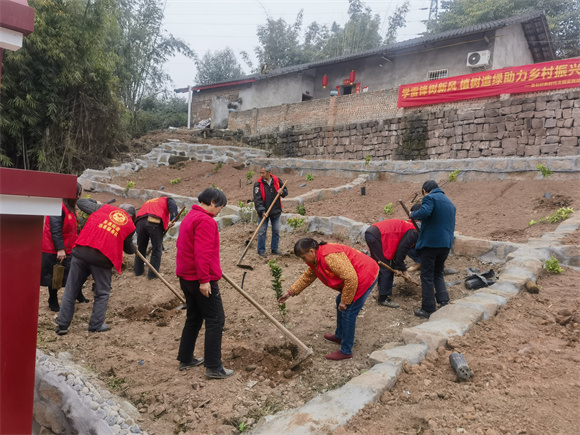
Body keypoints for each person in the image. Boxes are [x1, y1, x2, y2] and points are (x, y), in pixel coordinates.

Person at [278, 238, 379, 360]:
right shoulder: (317, 258)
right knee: (339, 302)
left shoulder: (329, 257)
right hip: (356, 275)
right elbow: (308, 276)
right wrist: (290, 292)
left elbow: (351, 278)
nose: (303, 260)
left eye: (303, 257)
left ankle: (346, 350)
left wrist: (345, 301)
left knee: (348, 311)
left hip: (365, 275)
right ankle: (340, 335)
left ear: (311, 251)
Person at [176, 188, 234, 379]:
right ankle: (214, 367)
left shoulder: (190, 216)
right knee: (216, 320)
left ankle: (185, 358)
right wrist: (205, 280)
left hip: (186, 277)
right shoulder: (205, 221)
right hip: (199, 279)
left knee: (193, 317)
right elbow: (202, 253)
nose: (219, 212)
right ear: (212, 202)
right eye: (220, 207)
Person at [55, 200, 136, 335]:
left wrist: (98, 203)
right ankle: (96, 325)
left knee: (71, 289)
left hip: (82, 252)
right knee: (102, 292)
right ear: (132, 216)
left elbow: (81, 202)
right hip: (102, 259)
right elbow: (129, 249)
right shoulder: (129, 225)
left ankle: (62, 325)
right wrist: (134, 248)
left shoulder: (104, 208)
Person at [409, 180, 456, 319]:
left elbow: (424, 212)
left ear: (425, 190)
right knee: (438, 273)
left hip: (431, 244)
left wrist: (412, 215)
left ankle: (428, 308)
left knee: (427, 275)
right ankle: (443, 300)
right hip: (445, 244)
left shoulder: (429, 198)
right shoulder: (450, 203)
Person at [40, 182, 89, 311]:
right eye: (77, 194)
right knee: (55, 275)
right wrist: (60, 249)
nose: (78, 197)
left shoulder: (71, 208)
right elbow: (55, 230)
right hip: (55, 249)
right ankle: (53, 300)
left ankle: (78, 294)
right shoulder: (58, 207)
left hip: (69, 247)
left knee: (73, 274)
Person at [364, 219, 418, 308]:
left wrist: (404, 271)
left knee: (383, 264)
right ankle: (383, 298)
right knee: (386, 266)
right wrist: (398, 267)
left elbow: (398, 252)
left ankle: (383, 286)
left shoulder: (410, 226)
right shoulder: (414, 233)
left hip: (373, 233)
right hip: (378, 236)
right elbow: (401, 250)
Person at [134, 196, 178, 279]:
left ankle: (138, 271)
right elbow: (173, 208)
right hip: (154, 222)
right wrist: (173, 218)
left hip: (139, 222)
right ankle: (152, 275)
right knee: (156, 249)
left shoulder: (150, 201)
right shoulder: (167, 199)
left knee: (141, 248)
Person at [253, 165, 288, 257]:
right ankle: (261, 250)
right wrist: (262, 211)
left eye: (263, 173)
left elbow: (285, 191)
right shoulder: (258, 184)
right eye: (260, 172)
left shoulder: (277, 180)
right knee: (262, 231)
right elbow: (257, 200)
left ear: (269, 172)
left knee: (276, 230)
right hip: (264, 212)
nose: (261, 175)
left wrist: (282, 192)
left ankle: (274, 249)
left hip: (275, 211)